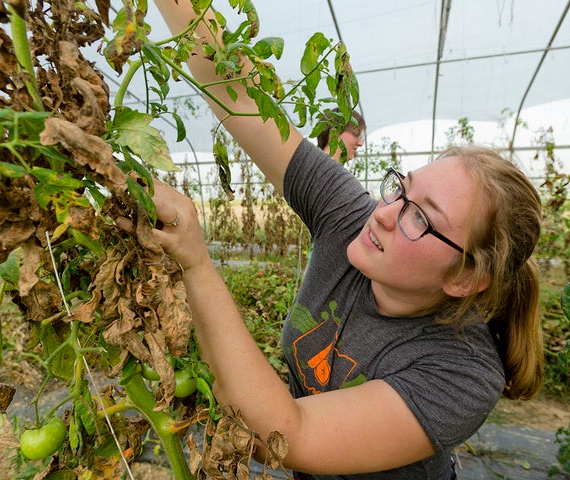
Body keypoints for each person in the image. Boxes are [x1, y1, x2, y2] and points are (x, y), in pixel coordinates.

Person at [148, 1, 545, 478]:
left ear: (465, 278)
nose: (384, 213)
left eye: (419, 217)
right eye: (402, 188)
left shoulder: (460, 373)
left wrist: (195, 263)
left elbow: (285, 436)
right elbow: (241, 97)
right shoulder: (351, 221)